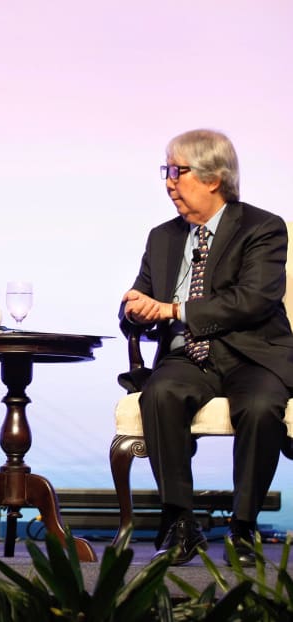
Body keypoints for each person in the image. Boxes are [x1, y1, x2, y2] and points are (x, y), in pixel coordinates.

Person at [119, 129, 292, 567]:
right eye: (167, 171)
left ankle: (243, 524)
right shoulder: (162, 237)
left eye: (178, 171)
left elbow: (253, 299)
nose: (169, 182)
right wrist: (135, 311)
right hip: (187, 356)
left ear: (214, 178)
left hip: (251, 354)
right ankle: (180, 520)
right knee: (160, 392)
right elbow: (142, 297)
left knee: (258, 405)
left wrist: (173, 309)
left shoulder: (262, 228)